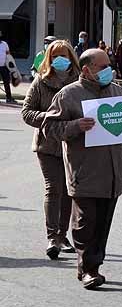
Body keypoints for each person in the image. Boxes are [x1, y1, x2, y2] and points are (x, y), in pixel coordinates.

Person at [42, 49, 122, 289]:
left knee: (101, 224)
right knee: (85, 222)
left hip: (113, 173)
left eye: (108, 65)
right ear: (86, 69)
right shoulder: (69, 95)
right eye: (102, 66)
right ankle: (88, 270)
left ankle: (93, 265)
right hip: (85, 172)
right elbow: (49, 129)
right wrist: (75, 126)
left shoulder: (118, 92)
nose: (107, 70)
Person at [21, 40, 81, 260]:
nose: (59, 60)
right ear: (48, 58)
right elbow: (26, 112)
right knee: (53, 188)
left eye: (63, 55)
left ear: (71, 57)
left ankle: (63, 235)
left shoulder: (79, 81)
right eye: (54, 56)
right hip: (47, 145)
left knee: (68, 190)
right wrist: (47, 118)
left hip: (72, 144)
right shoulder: (40, 82)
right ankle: (52, 237)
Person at [0, 30, 15, 104]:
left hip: (4, 67)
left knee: (6, 82)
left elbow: (8, 54)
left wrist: (9, 64)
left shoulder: (4, 44)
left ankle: (8, 98)